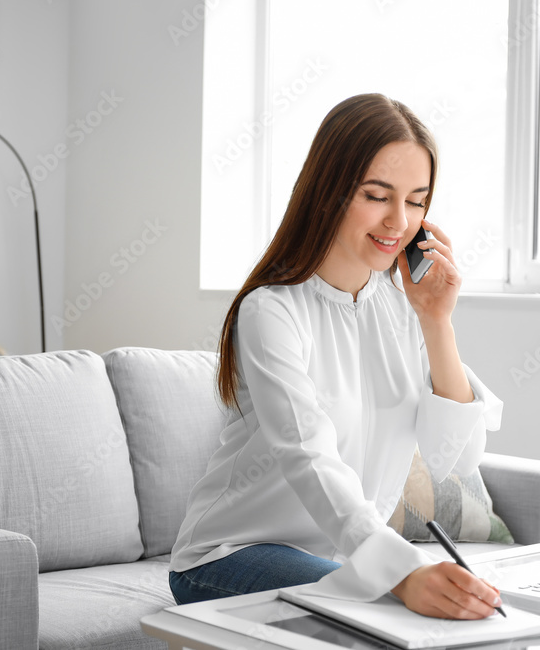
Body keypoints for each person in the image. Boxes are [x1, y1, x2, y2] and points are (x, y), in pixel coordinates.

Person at [169, 93, 505, 620]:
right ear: (329, 191)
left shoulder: (403, 311)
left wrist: (437, 322)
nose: (400, 221)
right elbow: (309, 456)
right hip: (228, 556)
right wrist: (401, 572)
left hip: (336, 559)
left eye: (417, 201)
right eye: (378, 195)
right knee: (386, 606)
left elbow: (454, 459)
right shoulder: (272, 312)